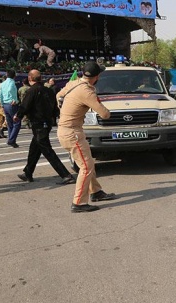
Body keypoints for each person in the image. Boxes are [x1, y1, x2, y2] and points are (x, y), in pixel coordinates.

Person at [57, 61, 116, 212]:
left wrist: (64, 107)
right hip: (72, 133)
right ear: (96, 77)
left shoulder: (73, 83)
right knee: (86, 167)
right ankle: (79, 203)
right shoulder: (87, 91)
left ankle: (96, 192)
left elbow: (59, 95)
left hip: (66, 130)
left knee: (87, 162)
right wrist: (109, 112)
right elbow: (104, 114)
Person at [14, 69, 75, 185]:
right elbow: (55, 108)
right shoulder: (49, 90)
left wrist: (18, 116)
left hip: (38, 124)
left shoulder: (32, 90)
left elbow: (25, 105)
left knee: (47, 150)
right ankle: (28, 172)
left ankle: (66, 175)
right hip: (47, 123)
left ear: (29, 78)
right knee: (34, 149)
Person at [0, 69, 21, 147]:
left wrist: (2, 104)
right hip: (12, 104)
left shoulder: (2, 84)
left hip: (5, 104)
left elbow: (0, 95)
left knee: (10, 124)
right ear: (14, 75)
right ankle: (11, 140)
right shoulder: (12, 83)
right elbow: (11, 91)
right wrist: (14, 100)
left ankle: (12, 140)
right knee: (17, 122)